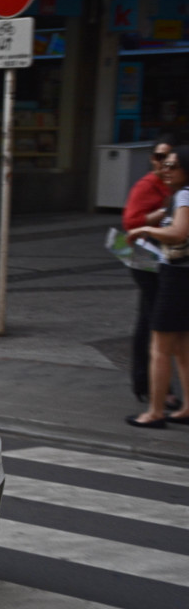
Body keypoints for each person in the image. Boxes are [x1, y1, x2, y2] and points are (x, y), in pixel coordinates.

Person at [126, 145, 189, 428]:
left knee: (160, 347)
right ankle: (186, 408)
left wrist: (146, 229)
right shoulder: (173, 193)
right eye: (162, 161)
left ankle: (155, 412)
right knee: (182, 347)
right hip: (179, 274)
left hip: (176, 277)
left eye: (172, 164)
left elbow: (178, 233)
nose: (165, 168)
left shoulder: (184, 194)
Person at [122, 136, 176, 407]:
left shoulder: (173, 186)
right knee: (153, 320)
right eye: (157, 157)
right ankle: (148, 384)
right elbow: (131, 222)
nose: (161, 163)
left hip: (163, 259)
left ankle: (149, 385)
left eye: (166, 158)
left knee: (152, 318)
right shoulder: (147, 186)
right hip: (146, 257)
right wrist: (160, 215)